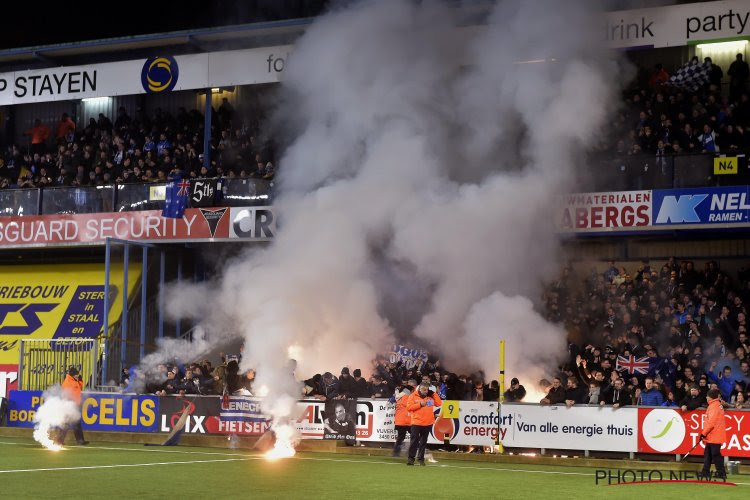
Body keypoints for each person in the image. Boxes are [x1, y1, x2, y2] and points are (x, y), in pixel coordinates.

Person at [406, 382, 442, 466]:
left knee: (423, 442)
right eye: (424, 389)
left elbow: (439, 403)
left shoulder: (430, 396)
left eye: (427, 389)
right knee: (414, 441)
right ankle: (411, 458)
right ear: (419, 389)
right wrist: (420, 404)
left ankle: (421, 459)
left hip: (428, 422)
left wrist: (433, 393)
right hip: (416, 422)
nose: (426, 391)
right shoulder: (413, 396)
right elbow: (409, 408)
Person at [56, 367, 88, 445]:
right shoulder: (68, 383)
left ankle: (79, 440)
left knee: (75, 423)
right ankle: (60, 440)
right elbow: (69, 395)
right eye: (77, 375)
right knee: (67, 423)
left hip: (74, 405)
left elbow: (78, 388)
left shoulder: (73, 380)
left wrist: (80, 381)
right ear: (73, 374)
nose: (78, 376)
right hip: (70, 405)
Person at [700, 388, 727, 481]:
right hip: (714, 435)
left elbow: (711, 423)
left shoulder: (714, 406)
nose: (706, 398)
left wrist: (703, 433)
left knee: (715, 454)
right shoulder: (716, 405)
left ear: (710, 397)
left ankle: (721, 473)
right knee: (708, 454)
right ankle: (705, 472)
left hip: (714, 435)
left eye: (707, 396)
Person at [392, 383, 412, 457]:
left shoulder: (398, 397)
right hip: (407, 420)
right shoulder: (408, 397)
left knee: (400, 437)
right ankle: (410, 451)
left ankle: (396, 453)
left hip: (399, 421)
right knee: (414, 436)